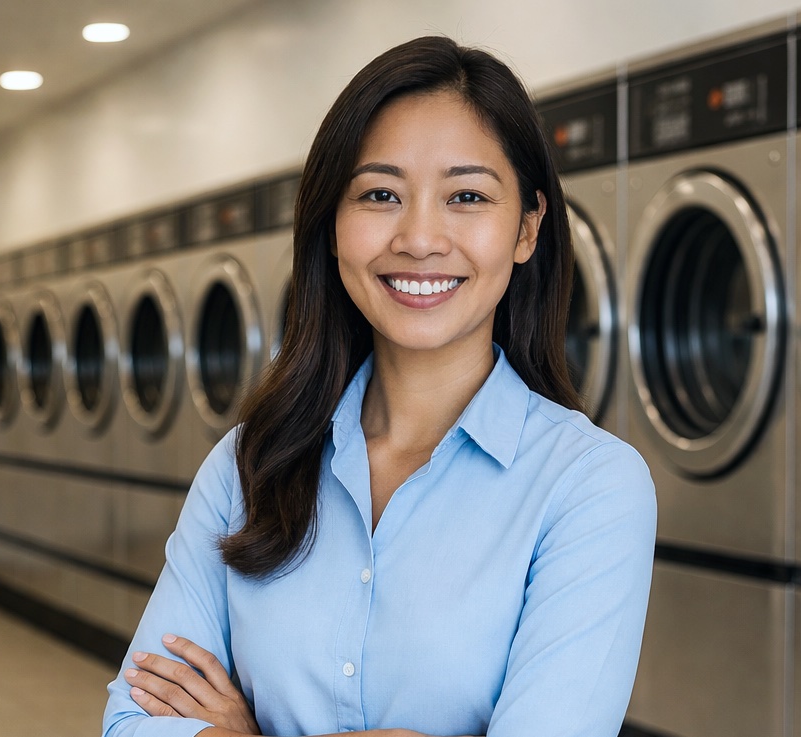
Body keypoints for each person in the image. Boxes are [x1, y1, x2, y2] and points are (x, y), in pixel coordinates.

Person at [103, 35, 655, 737]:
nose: (420, 237)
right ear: (331, 226)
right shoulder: (250, 464)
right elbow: (131, 720)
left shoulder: (591, 487)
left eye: (466, 195)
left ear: (527, 228)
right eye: (380, 194)